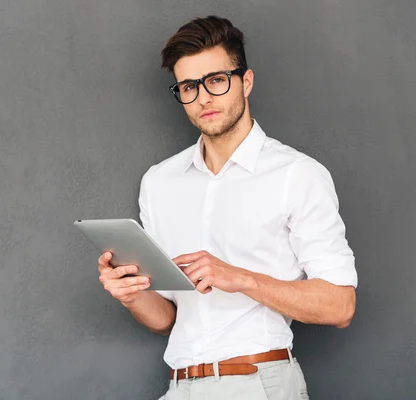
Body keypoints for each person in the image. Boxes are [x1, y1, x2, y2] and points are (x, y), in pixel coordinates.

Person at [97, 15, 358, 400]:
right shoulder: (159, 183)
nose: (203, 98)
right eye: (189, 86)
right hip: (180, 385)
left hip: (258, 381)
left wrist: (242, 278)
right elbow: (167, 317)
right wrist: (132, 295)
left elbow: (341, 305)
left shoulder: (297, 175)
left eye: (216, 81)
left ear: (245, 81)